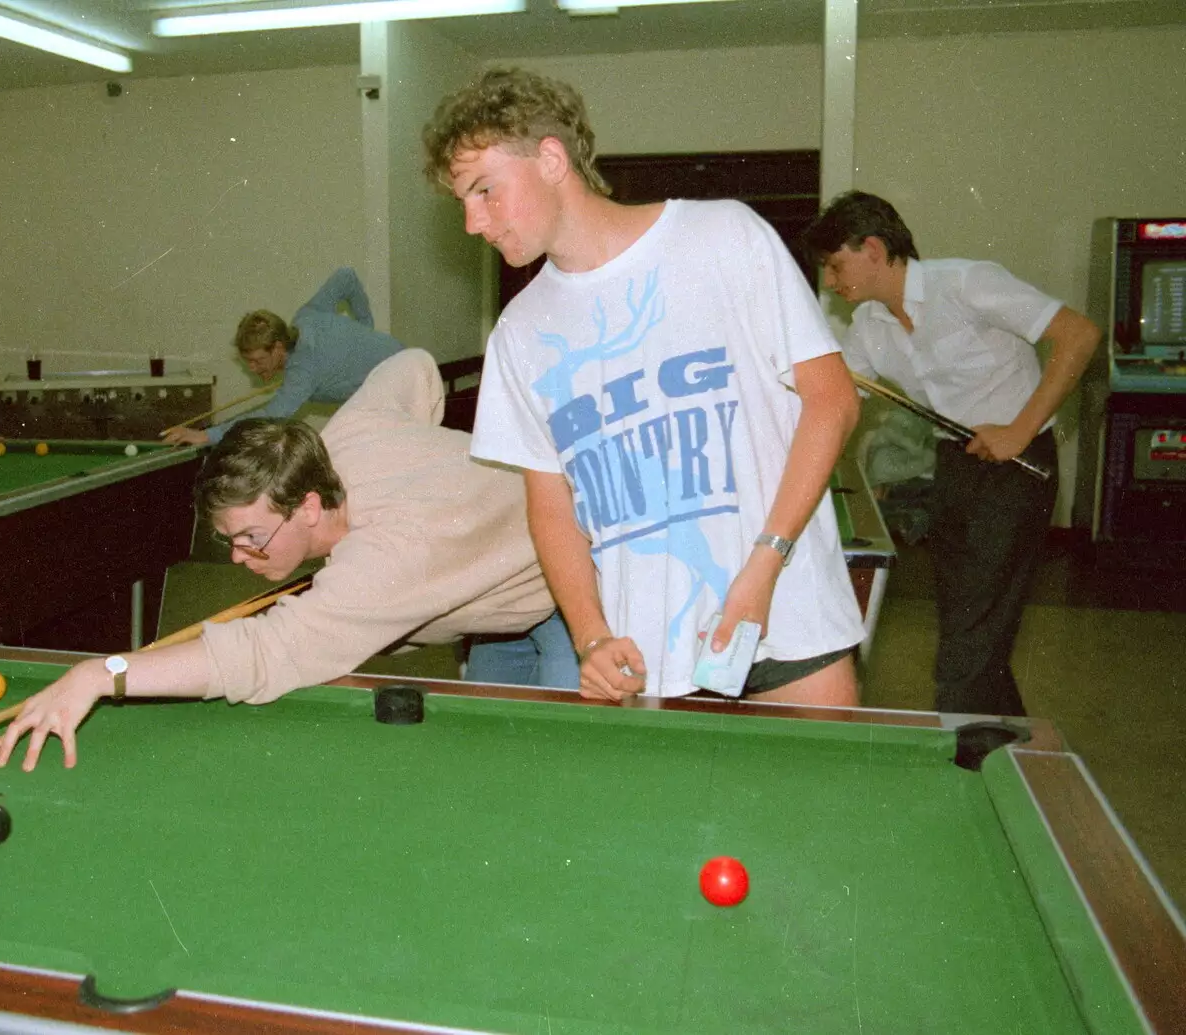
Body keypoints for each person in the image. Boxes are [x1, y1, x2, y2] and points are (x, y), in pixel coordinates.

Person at [422, 68, 866, 706]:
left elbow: (833, 402)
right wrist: (590, 638)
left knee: (827, 805)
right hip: (647, 656)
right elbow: (551, 505)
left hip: (787, 618)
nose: (472, 222)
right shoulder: (518, 334)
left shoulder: (723, 236)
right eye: (462, 201)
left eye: (484, 189)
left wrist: (765, 565)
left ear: (551, 159)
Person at [0, 349, 574, 771]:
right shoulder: (341, 436)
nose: (241, 558)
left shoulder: (384, 558)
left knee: (556, 766)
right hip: (495, 614)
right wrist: (430, 464)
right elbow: (415, 366)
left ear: (311, 506)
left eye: (252, 538)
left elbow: (262, 653)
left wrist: (102, 673)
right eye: (229, 542)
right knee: (498, 765)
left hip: (571, 585)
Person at [803, 191, 1100, 716]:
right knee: (970, 618)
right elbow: (833, 395)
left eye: (834, 265)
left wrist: (1019, 428)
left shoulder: (965, 283)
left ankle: (964, 750)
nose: (830, 281)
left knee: (973, 628)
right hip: (955, 465)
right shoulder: (870, 327)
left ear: (872, 248)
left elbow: (1079, 335)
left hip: (1020, 464)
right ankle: (1005, 742)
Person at [161, 267, 403, 447]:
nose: (253, 369)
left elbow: (269, 417)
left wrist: (204, 436)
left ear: (277, 348)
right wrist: (365, 326)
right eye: (248, 362)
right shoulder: (306, 316)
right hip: (407, 363)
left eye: (257, 361)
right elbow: (346, 277)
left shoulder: (303, 371)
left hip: (402, 385)